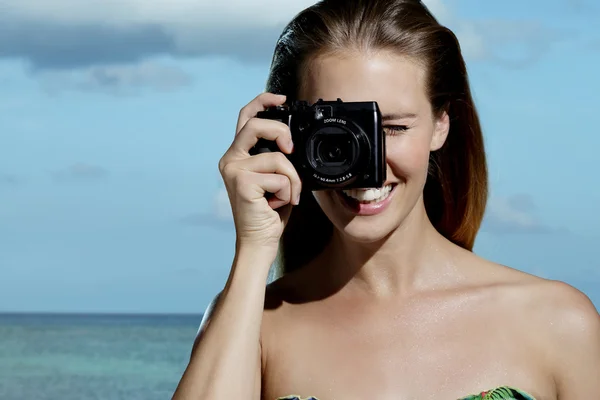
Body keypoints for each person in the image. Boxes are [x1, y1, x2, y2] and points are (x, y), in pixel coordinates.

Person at [172, 1, 600, 399]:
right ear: (288, 135)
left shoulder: (557, 323)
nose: (368, 165)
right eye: (338, 134)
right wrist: (253, 251)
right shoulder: (251, 326)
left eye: (391, 128)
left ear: (440, 125)